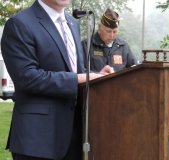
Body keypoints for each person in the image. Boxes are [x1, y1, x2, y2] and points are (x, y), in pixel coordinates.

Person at [1, 0, 114, 159]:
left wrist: (96, 76)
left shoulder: (73, 24)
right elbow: (26, 77)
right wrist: (81, 77)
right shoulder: (20, 23)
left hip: (75, 135)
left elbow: (75, 70)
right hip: (38, 139)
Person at [81, 8, 137, 72]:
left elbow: (134, 69)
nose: (112, 35)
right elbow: (80, 71)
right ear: (99, 27)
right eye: (108, 31)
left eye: (115, 32)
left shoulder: (123, 46)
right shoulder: (86, 45)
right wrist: (98, 75)